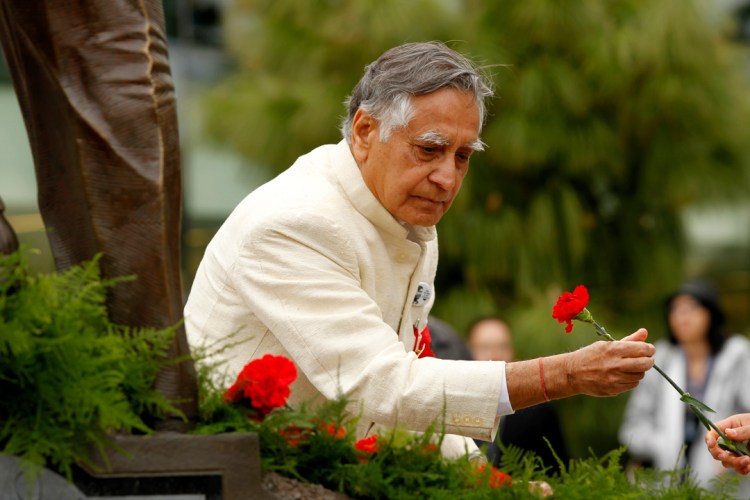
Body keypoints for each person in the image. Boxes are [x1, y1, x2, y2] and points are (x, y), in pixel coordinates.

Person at [185, 41, 656, 460]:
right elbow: (384, 385)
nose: (447, 179)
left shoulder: (405, 218)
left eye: (463, 156)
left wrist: (484, 481)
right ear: (365, 131)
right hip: (235, 473)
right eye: (429, 150)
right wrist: (564, 374)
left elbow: (412, 394)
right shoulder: (295, 222)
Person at [618, 279, 750, 492]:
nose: (681, 316)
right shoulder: (658, 358)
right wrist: (663, 446)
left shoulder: (737, 355)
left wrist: (732, 446)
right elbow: (632, 427)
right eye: (675, 310)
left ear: (710, 312)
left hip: (726, 481)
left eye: (691, 308)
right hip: (667, 483)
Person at [467, 317, 569, 473]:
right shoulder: (452, 404)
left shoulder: (539, 410)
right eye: (484, 347)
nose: (494, 355)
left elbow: (557, 468)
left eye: (502, 347)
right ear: (467, 352)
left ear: (513, 352)